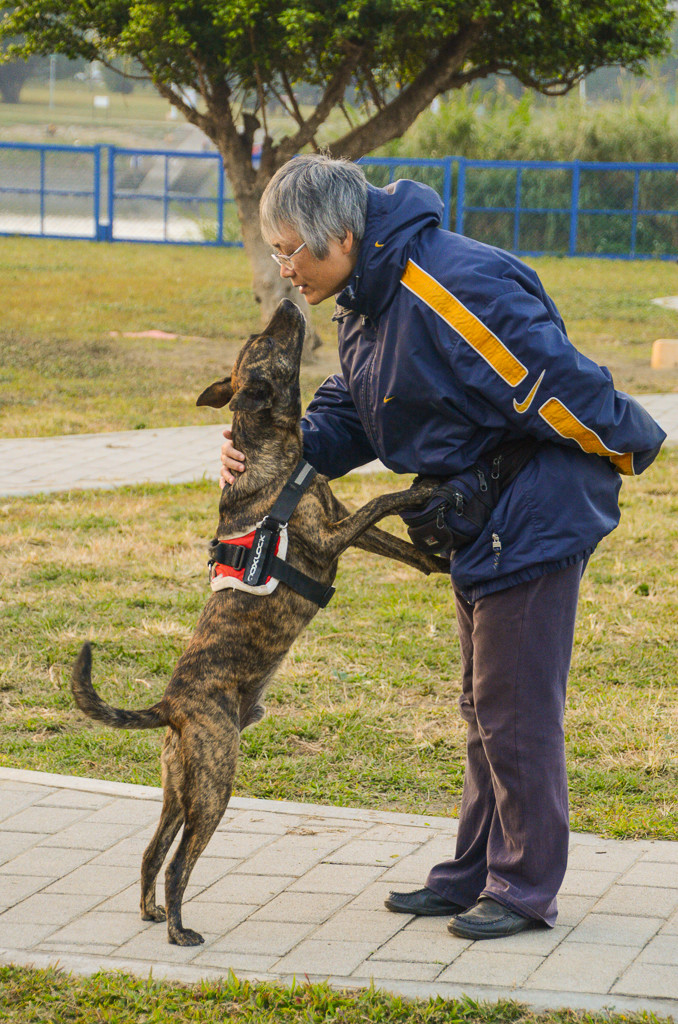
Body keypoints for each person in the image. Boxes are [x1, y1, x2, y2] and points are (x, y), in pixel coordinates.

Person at [220, 155, 665, 940]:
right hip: (480, 514)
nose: (286, 269)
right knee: (483, 703)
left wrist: (631, 446)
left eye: (293, 250)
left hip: (534, 505)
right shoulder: (363, 294)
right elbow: (353, 409)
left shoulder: (448, 285)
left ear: (344, 235)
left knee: (515, 708)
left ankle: (524, 888)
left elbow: (557, 382)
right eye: (277, 250)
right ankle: (470, 874)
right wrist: (279, 450)